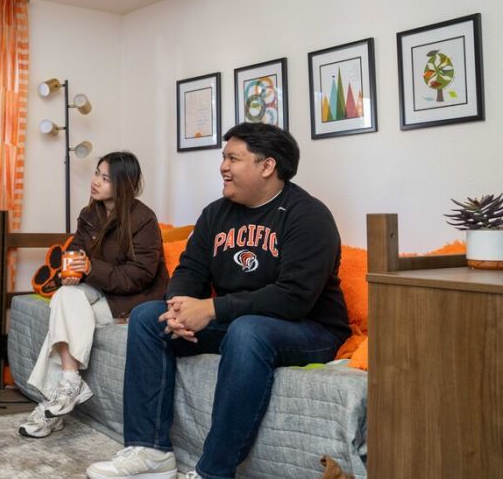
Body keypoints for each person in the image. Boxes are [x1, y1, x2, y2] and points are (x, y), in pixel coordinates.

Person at [86, 123, 350, 479]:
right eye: (223, 157)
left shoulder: (308, 216)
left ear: (267, 166)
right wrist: (179, 305)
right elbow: (191, 268)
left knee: (247, 331)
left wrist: (210, 308)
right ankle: (151, 452)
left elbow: (294, 298)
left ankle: (213, 471)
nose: (223, 166)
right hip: (242, 322)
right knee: (150, 317)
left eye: (232, 158)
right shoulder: (216, 213)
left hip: (310, 330)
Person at [19, 151, 168, 439]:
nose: (95, 182)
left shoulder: (143, 220)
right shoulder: (90, 214)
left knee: (63, 324)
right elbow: (75, 250)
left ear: (124, 184)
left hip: (128, 302)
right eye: (97, 173)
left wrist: (89, 267)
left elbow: (139, 276)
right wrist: (71, 270)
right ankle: (70, 383)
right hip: (97, 290)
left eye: (105, 178)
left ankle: (50, 406)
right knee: (65, 295)